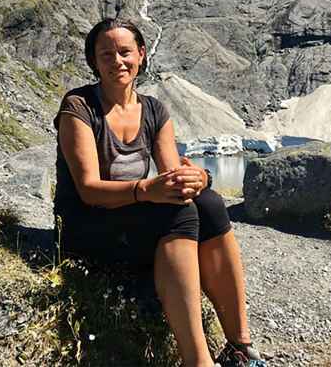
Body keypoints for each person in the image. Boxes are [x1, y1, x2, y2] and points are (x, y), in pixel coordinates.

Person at [53, 18, 266, 367]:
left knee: (208, 204)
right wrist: (146, 189)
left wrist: (199, 179)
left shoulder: (153, 109)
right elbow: (89, 191)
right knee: (176, 213)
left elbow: (173, 176)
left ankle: (240, 346)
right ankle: (198, 361)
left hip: (130, 219)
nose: (117, 61)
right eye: (106, 54)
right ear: (93, 62)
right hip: (84, 227)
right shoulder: (78, 107)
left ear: (141, 55)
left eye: (125, 52)